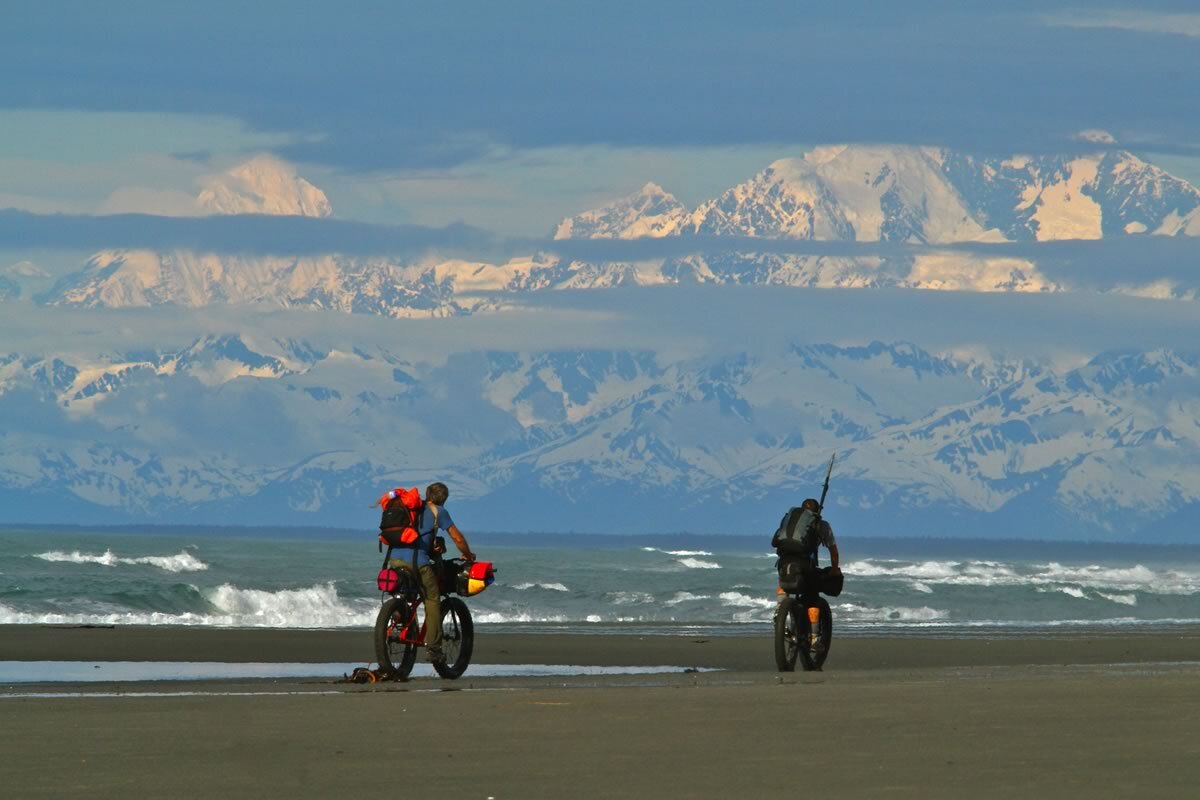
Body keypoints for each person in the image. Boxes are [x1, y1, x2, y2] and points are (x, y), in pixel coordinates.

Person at [390, 481, 476, 664]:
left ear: (427, 494)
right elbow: (457, 538)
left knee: (407, 591)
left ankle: (399, 615)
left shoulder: (412, 509)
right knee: (432, 599)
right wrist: (468, 555)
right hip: (418, 563)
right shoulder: (439, 511)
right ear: (444, 498)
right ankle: (434, 649)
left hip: (394, 560)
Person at [776, 497, 840, 597]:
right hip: (806, 565)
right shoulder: (822, 525)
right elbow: (834, 553)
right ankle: (812, 603)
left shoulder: (790, 522)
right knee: (812, 594)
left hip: (783, 563)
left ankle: (781, 601)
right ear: (818, 511)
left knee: (785, 578)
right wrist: (834, 571)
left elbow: (777, 542)